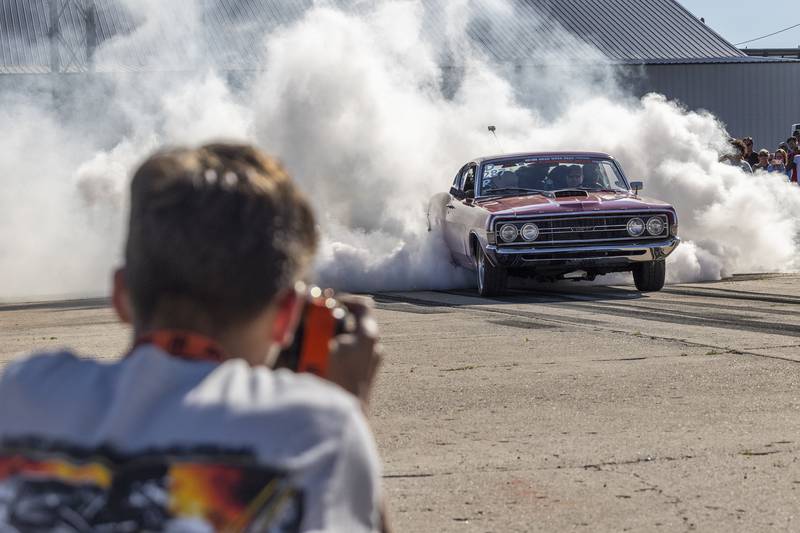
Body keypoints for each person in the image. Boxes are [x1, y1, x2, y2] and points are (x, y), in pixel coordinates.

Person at [0, 143, 385, 532]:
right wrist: (349, 404)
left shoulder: (22, 394)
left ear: (121, 296)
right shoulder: (315, 432)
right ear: (287, 316)